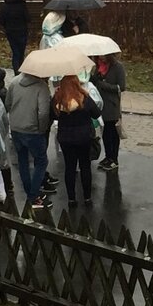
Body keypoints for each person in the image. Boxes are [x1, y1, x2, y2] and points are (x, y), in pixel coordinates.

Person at [51, 75, 102, 207]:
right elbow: (96, 113)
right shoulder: (83, 97)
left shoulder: (58, 99)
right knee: (85, 167)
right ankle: (87, 197)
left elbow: (52, 115)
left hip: (65, 139)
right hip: (83, 138)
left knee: (70, 167)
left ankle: (71, 199)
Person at [7, 71, 55, 209]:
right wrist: (42, 128)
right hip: (33, 130)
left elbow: (8, 104)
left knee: (23, 160)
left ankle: (30, 191)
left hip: (16, 129)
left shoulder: (14, 82)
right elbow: (44, 112)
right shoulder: (42, 87)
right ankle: (34, 196)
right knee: (41, 161)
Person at [91, 54, 126, 171]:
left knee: (113, 133)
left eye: (104, 56)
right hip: (101, 105)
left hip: (112, 105)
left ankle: (114, 158)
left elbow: (121, 87)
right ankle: (107, 156)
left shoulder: (117, 67)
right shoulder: (97, 67)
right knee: (105, 133)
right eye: (99, 56)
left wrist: (102, 84)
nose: (102, 58)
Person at [0, 0, 30, 73]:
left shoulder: (5, 6)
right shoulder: (22, 6)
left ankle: (16, 71)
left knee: (15, 51)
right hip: (22, 31)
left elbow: (1, 20)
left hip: (10, 32)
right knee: (21, 52)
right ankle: (22, 68)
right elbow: (28, 19)